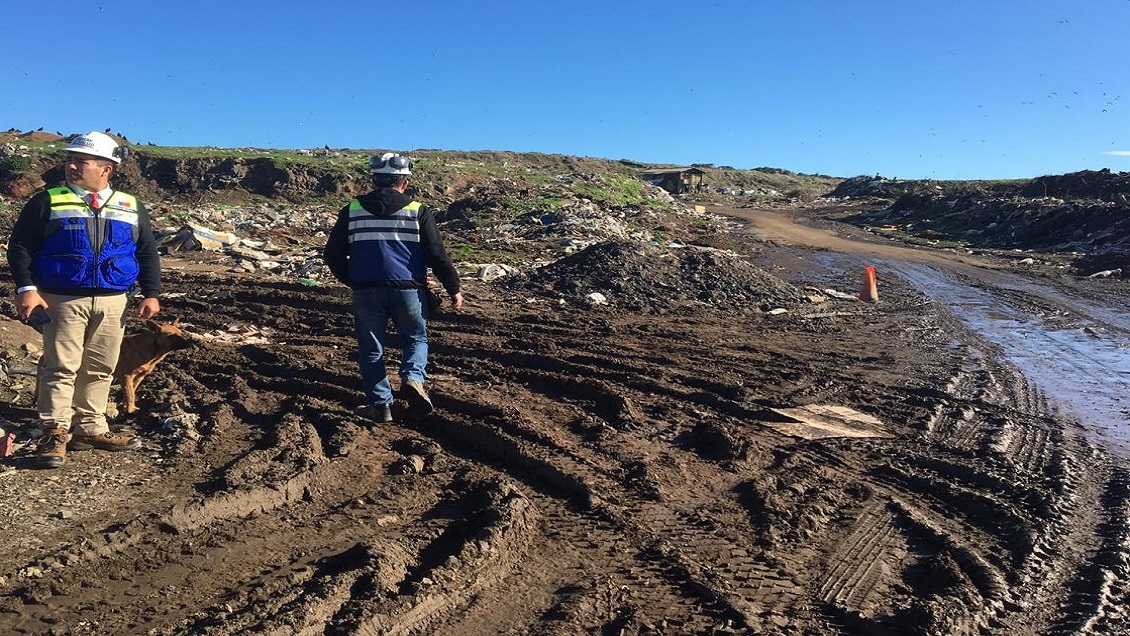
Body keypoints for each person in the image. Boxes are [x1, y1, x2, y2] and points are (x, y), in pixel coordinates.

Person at [7, 131, 162, 469]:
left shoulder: (130, 205)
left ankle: (91, 428)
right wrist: (26, 289)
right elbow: (19, 247)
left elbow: (146, 251)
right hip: (61, 298)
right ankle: (54, 432)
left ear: (106, 168)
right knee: (60, 366)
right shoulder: (48, 200)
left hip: (113, 301)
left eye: (81, 161)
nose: (72, 166)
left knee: (101, 367)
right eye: (70, 160)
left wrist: (151, 292)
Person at [323, 152, 463, 423]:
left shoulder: (352, 210)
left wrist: (352, 280)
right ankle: (412, 378)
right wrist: (453, 287)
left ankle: (381, 406)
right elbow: (436, 254)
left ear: (374, 181)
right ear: (405, 183)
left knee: (371, 348)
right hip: (409, 290)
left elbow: (332, 254)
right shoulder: (417, 211)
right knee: (415, 338)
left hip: (366, 290)